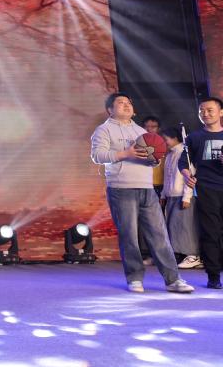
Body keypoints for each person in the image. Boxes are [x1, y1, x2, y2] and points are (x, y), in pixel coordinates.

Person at [90, 92, 193, 293]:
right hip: (121, 188)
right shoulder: (103, 130)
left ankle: (173, 280)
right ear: (110, 109)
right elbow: (97, 155)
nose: (126, 105)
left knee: (160, 235)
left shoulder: (141, 131)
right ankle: (135, 278)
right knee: (129, 236)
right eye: (120, 103)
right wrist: (126, 153)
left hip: (147, 189)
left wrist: (154, 159)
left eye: (128, 103)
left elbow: (153, 158)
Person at [179, 97, 223, 289]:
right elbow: (184, 162)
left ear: (221, 112)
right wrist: (187, 175)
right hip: (207, 190)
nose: (205, 113)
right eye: (201, 111)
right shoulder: (194, 137)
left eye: (210, 110)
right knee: (210, 233)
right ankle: (213, 276)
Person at [161, 127, 200, 269]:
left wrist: (187, 197)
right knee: (174, 227)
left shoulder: (185, 153)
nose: (164, 142)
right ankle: (180, 254)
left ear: (174, 138)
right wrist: (163, 194)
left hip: (182, 196)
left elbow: (190, 176)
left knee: (186, 227)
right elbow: (167, 176)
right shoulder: (170, 154)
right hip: (171, 195)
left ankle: (193, 255)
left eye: (165, 139)